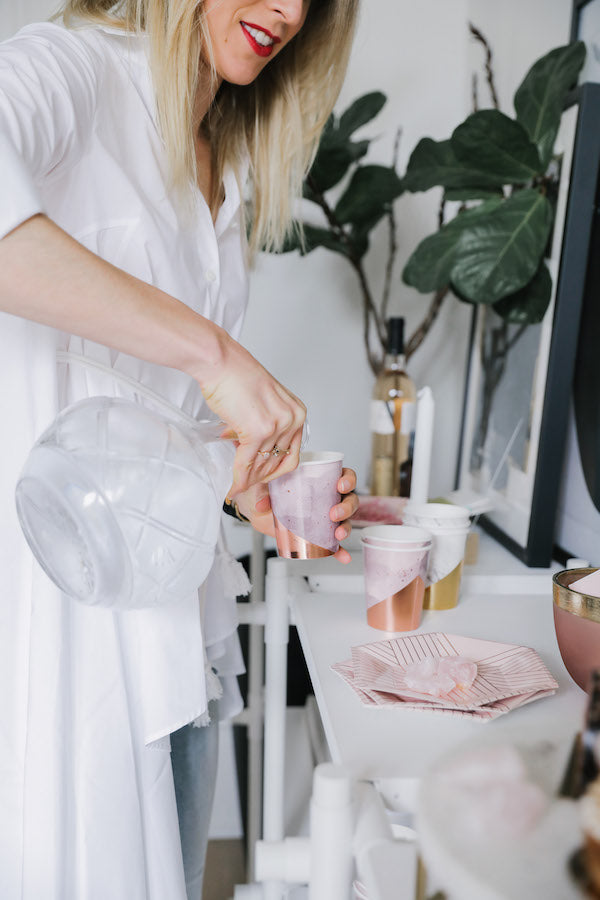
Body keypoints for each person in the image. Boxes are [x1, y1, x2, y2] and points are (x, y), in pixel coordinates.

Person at [0, 0, 361, 898]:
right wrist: (213, 352)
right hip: (64, 619)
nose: (289, 11)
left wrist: (239, 484)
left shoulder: (221, 159)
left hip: (183, 625)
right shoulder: (74, 69)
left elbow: (143, 414)